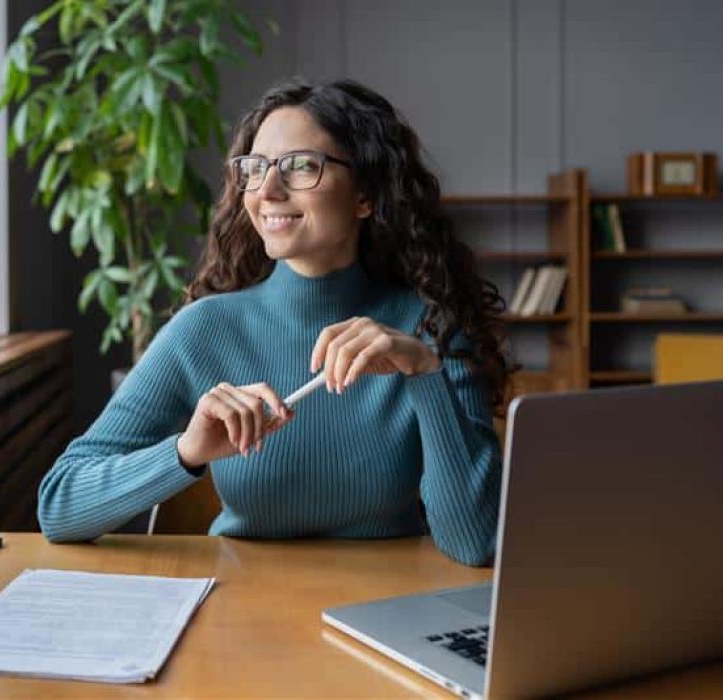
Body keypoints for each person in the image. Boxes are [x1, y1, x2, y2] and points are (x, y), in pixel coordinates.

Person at [37, 79, 508, 566]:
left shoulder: (428, 328)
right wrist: (186, 451)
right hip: (241, 617)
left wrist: (425, 373)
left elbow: (477, 543)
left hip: (387, 615)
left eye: (302, 166)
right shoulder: (204, 329)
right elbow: (59, 505)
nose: (267, 190)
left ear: (365, 195)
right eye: (255, 168)